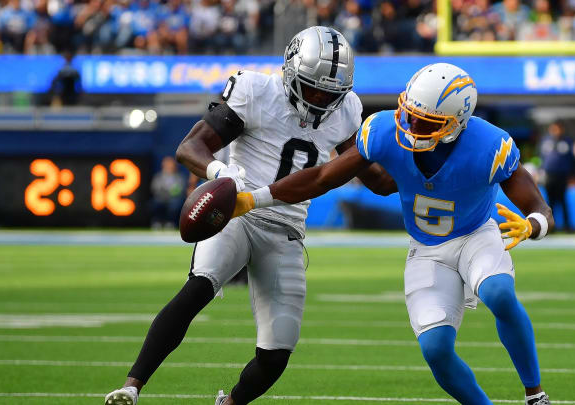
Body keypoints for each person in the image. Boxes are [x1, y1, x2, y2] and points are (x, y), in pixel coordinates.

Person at [104, 26, 393, 405]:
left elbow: (379, 181)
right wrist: (219, 174)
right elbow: (191, 147)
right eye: (313, 87)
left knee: (277, 352)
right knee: (199, 287)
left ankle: (230, 403)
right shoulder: (254, 89)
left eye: (331, 93)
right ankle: (132, 386)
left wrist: (409, 154)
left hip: (287, 230)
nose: (321, 100)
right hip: (237, 212)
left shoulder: (349, 110)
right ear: (290, 70)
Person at [233, 63, 554, 405]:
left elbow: (537, 203)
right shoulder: (385, 130)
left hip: (476, 235)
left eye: (424, 122)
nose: (411, 125)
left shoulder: (489, 145)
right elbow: (323, 176)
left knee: (499, 294)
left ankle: (535, 395)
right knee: (435, 350)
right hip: (426, 248)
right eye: (409, 113)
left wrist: (534, 225)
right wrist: (254, 198)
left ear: (455, 123)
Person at [539, 121, 575, 232]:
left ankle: (567, 226)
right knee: (550, 202)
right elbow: (542, 157)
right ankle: (551, 226)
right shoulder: (545, 141)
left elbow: (571, 159)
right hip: (549, 174)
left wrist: (572, 174)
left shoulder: (567, 141)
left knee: (563, 201)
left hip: (562, 175)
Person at [150, 156, 186, 229]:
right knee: (156, 202)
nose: (169, 166)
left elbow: (179, 190)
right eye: (167, 164)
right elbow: (154, 189)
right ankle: (158, 222)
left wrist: (169, 192)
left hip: (174, 199)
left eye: (171, 164)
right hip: (161, 198)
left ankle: (170, 223)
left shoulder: (179, 177)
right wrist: (167, 192)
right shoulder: (158, 177)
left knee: (175, 204)